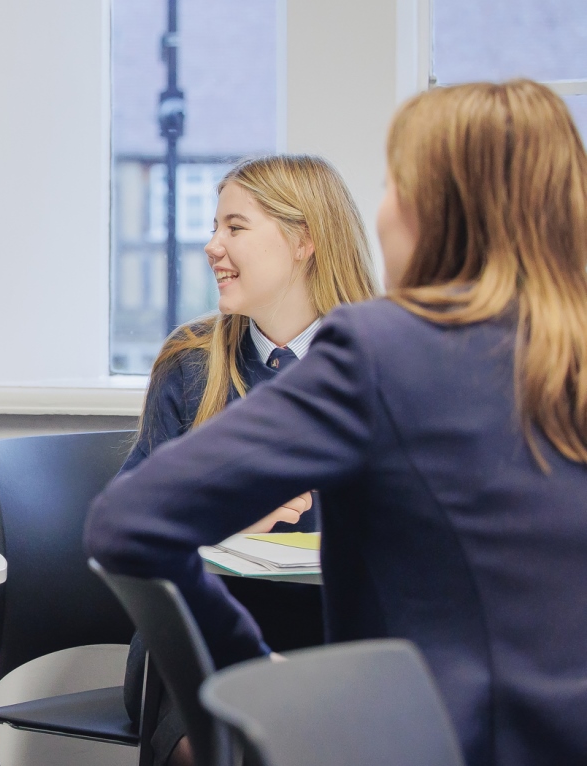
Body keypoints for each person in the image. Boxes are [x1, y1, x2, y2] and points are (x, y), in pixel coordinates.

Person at [86, 79, 587, 765]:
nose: (380, 214)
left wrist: (250, 670)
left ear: (434, 212)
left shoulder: (382, 349)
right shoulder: (202, 360)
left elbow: (129, 521)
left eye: (392, 186)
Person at [118, 154, 377, 765]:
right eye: (214, 227)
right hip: (196, 641)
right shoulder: (189, 365)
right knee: (212, 748)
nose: (212, 245)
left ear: (304, 240)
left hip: (342, 638)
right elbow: (127, 543)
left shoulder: (383, 364)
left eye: (235, 228)